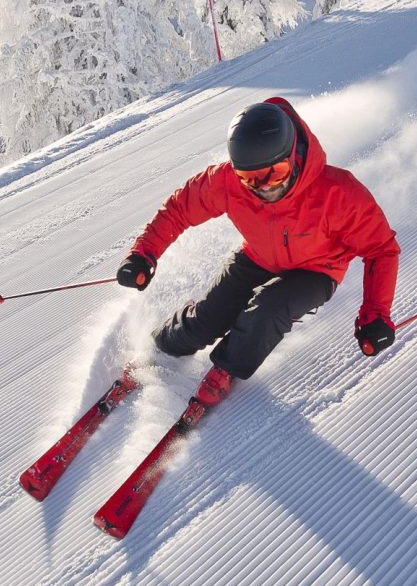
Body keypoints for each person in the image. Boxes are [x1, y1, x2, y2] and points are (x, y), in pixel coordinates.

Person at [117, 96, 400, 409]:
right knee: (210, 315)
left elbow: (381, 249)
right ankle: (162, 348)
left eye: (275, 173)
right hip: (259, 256)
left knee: (267, 309)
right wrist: (144, 254)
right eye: (250, 178)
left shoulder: (338, 193)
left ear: (294, 155)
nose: (264, 186)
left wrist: (376, 314)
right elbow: (180, 209)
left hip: (317, 269)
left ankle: (227, 368)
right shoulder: (226, 182)